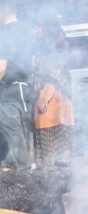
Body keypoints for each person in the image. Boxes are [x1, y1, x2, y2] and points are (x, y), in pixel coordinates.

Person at [0, 0, 36, 169]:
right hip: (26, 92)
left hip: (8, 94)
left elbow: (1, 68)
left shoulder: (2, 33)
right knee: (24, 136)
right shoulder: (28, 31)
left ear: (1, 11)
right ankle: (24, 171)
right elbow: (32, 62)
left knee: (16, 139)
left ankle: (26, 183)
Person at [33, 19, 74, 169]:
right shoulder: (58, 49)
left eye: (38, 28)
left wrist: (43, 97)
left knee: (50, 149)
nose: (35, 31)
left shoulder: (48, 50)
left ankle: (52, 183)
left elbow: (52, 76)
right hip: (60, 102)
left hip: (51, 102)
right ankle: (63, 183)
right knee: (63, 151)